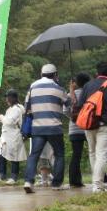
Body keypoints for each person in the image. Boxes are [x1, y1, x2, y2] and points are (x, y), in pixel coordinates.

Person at [23, 64, 71, 193]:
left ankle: (28, 181)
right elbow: (69, 104)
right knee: (59, 154)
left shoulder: (32, 87)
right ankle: (56, 184)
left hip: (37, 127)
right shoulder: (59, 88)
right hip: (54, 127)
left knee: (34, 155)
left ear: (41, 74)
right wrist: (70, 91)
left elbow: (26, 107)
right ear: (55, 75)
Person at [77, 62, 107, 193]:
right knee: (102, 153)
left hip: (89, 124)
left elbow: (81, 105)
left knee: (92, 152)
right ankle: (98, 184)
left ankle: (96, 183)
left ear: (97, 72)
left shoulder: (87, 85)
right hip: (105, 124)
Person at [0, 89, 26, 185]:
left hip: (14, 135)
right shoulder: (10, 109)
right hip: (6, 135)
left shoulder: (17, 109)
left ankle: (14, 177)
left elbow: (10, 122)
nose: (6, 99)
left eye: (8, 97)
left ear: (14, 98)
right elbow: (6, 121)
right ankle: (1, 175)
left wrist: (1, 117)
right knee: (2, 154)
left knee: (14, 156)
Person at [65, 73, 90, 188]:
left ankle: (74, 181)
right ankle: (101, 177)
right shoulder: (90, 94)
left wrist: (73, 118)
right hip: (88, 127)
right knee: (95, 152)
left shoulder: (69, 95)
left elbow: (65, 111)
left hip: (74, 128)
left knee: (76, 155)